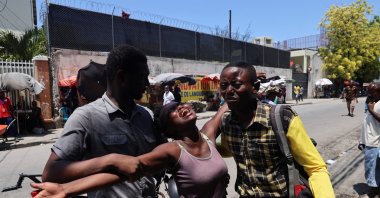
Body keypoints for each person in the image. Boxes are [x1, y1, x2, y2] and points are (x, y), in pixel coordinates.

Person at [40, 45, 166, 198]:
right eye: (141, 77)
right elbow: (51, 173)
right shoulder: (85, 117)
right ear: (121, 77)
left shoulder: (146, 115)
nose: (146, 84)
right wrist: (110, 161)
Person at [32, 102, 230, 198]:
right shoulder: (173, 150)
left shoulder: (208, 136)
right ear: (169, 129)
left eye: (180, 105)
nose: (181, 108)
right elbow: (128, 171)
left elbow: (225, 107)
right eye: (172, 112)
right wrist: (65, 190)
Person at [215, 61, 334, 197]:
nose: (229, 90)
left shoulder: (282, 117)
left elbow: (316, 168)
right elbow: (228, 148)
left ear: (255, 87)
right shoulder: (226, 122)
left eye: (236, 84)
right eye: (224, 85)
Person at [359, 82, 380, 197]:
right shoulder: (372, 102)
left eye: (372, 92)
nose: (369, 94)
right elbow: (366, 123)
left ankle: (373, 191)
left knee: (371, 168)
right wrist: (361, 140)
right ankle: (374, 189)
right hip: (368, 140)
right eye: (369, 92)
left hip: (375, 141)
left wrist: (372, 111)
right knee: (371, 167)